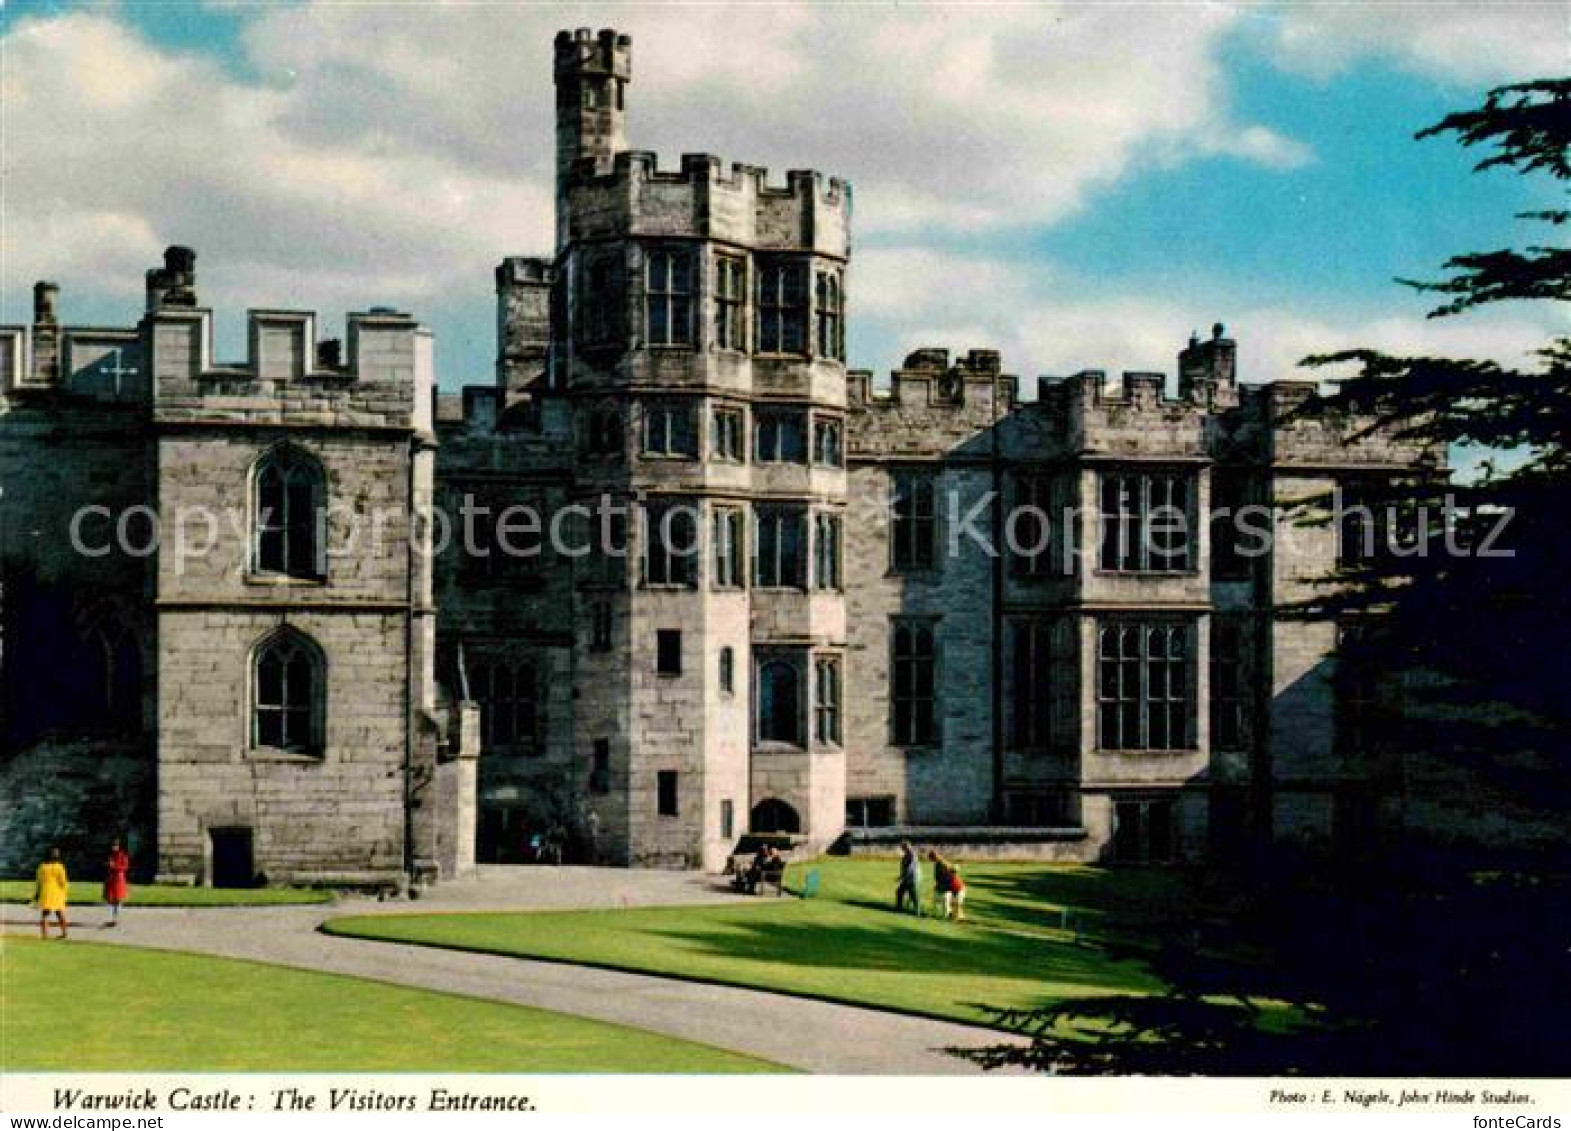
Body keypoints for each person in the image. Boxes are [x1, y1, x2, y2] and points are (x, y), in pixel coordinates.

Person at [34, 847, 69, 940]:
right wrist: (65, 893)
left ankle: (45, 935)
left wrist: (37, 894)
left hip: (46, 892)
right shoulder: (60, 867)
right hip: (57, 892)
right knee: (60, 913)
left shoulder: (42, 866)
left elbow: (39, 881)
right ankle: (64, 932)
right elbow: (63, 882)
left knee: (45, 914)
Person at [103, 838, 131, 927]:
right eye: (113, 845)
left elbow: (125, 867)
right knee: (110, 900)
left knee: (118, 900)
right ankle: (112, 919)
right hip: (110, 879)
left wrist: (114, 866)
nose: (114, 847)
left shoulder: (123, 856)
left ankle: (116, 919)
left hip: (119, 879)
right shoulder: (110, 855)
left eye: (115, 845)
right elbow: (107, 865)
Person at [895, 840, 922, 916]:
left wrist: (902, 877)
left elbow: (910, 868)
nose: (902, 849)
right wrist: (902, 876)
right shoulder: (907, 854)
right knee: (899, 892)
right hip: (907, 878)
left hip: (913, 878)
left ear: (906, 847)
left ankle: (917, 912)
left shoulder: (912, 855)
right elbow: (904, 867)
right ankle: (899, 908)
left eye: (902, 847)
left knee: (914, 895)